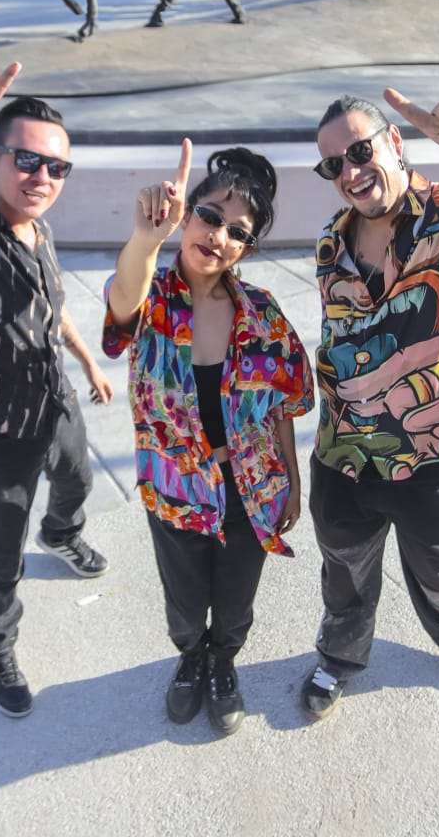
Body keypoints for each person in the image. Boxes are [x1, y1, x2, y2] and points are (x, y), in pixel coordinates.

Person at [299, 78, 439, 720]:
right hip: (345, 455)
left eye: (359, 152)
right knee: (344, 573)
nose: (350, 172)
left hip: (437, 458)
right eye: (333, 165)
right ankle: (340, 657)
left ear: (394, 142)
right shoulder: (330, 242)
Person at [0, 61, 117, 719]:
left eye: (56, 167)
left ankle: (61, 533)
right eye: (27, 161)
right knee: (1, 555)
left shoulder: (41, 229)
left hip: (54, 400)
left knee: (77, 479)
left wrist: (87, 362)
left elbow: (52, 304)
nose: (42, 177)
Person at [104, 141, 312, 737]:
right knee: (185, 598)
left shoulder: (262, 314)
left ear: (247, 248)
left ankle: (223, 663)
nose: (218, 236)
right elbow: (121, 303)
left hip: (251, 486)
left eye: (237, 232)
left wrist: (293, 482)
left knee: (238, 597)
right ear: (187, 215)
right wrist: (146, 238)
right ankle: (191, 656)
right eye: (210, 216)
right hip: (175, 487)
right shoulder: (152, 300)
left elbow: (283, 405)